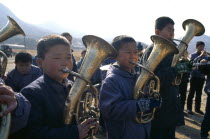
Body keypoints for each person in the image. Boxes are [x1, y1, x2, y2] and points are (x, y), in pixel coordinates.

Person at [16, 35, 97, 139]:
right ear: (40, 63)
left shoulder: (72, 87)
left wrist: (88, 125)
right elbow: (32, 133)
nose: (65, 63)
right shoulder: (31, 93)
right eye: (57, 58)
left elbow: (77, 118)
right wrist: (74, 133)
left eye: (68, 57)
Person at [99, 35, 161, 139]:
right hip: (123, 133)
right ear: (115, 55)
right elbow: (110, 110)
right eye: (128, 52)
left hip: (141, 130)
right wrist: (139, 105)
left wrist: (152, 98)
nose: (133, 56)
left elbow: (142, 96)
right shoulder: (111, 80)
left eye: (135, 52)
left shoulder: (137, 75)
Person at [141, 16, 185, 139]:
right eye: (169, 30)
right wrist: (175, 70)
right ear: (157, 32)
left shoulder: (172, 50)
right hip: (158, 108)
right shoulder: (152, 51)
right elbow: (150, 80)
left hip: (170, 102)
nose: (172, 33)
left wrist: (183, 69)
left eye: (173, 30)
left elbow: (175, 79)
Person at [187, 41, 208, 115]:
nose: (201, 48)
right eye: (200, 46)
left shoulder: (206, 57)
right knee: (191, 93)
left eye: (202, 46)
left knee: (199, 94)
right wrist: (200, 56)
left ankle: (197, 109)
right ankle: (189, 108)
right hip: (194, 77)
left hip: (201, 77)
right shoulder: (192, 55)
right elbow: (192, 64)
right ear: (197, 47)